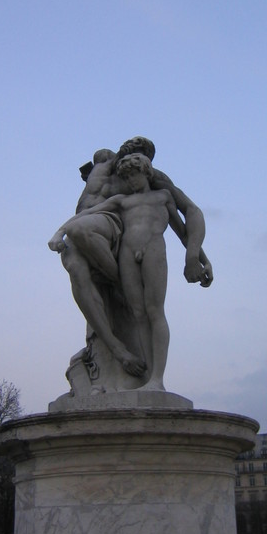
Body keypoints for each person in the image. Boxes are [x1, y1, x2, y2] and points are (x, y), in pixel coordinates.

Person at [48, 136, 212, 378]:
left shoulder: (153, 180)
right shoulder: (105, 161)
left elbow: (188, 214)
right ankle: (118, 350)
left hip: (112, 226)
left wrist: (194, 255)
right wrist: (59, 232)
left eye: (143, 153)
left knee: (81, 229)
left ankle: (118, 282)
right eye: (133, 147)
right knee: (75, 267)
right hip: (91, 222)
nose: (135, 152)